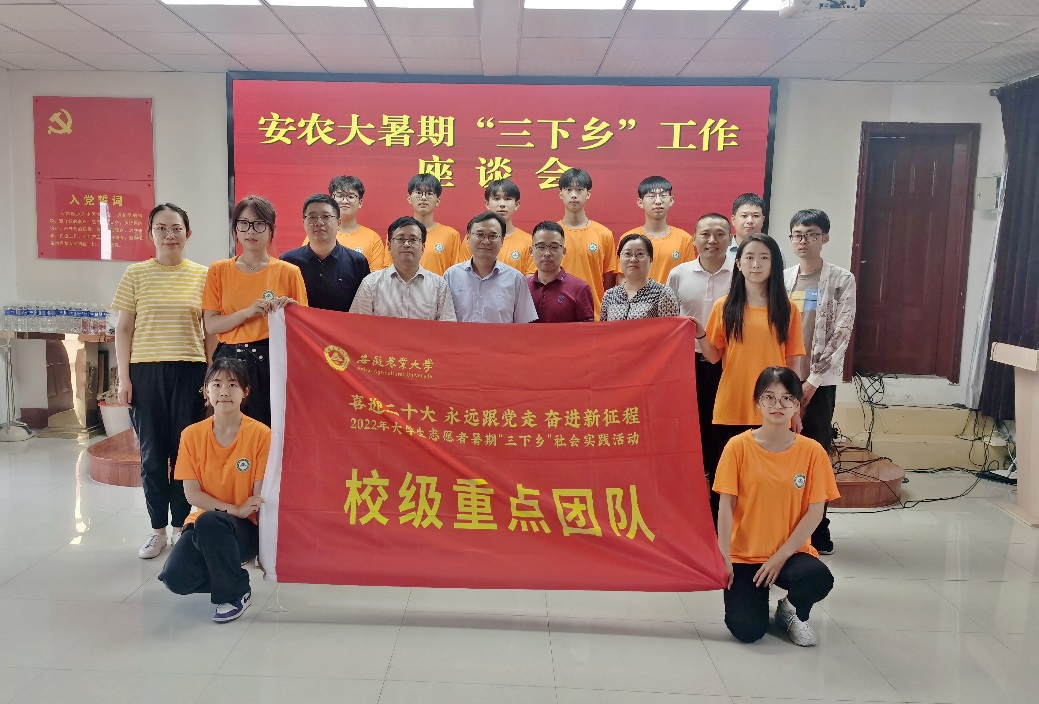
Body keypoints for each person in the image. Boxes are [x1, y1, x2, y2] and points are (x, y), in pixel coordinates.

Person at [112, 203, 211, 560]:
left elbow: (210, 330)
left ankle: (182, 527)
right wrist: (124, 378)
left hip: (191, 371)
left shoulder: (203, 275)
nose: (170, 235)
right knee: (153, 456)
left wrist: (210, 376)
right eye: (161, 228)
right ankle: (157, 530)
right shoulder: (136, 274)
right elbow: (124, 328)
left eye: (176, 228)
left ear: (188, 233)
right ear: (150, 233)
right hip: (146, 372)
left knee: (185, 454)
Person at [715, 366, 839, 646]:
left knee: (818, 578)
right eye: (769, 397)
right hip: (745, 555)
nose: (777, 405)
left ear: (797, 404)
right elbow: (725, 507)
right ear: (758, 402)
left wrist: (780, 556)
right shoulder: (737, 447)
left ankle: (791, 610)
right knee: (747, 631)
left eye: (787, 399)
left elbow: (815, 512)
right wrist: (723, 557)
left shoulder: (812, 452)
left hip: (790, 552)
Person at [158, 359, 269, 624]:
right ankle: (232, 577)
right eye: (216, 384)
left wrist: (243, 517)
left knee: (211, 521)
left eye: (233, 385)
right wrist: (235, 509)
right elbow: (193, 495)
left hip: (245, 528)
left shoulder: (261, 434)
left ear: (245, 392)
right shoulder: (191, 435)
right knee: (175, 578)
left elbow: (258, 498)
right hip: (205, 523)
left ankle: (234, 593)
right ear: (206, 391)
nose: (224, 392)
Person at [696, 234, 806, 478]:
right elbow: (714, 357)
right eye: (749, 257)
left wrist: (795, 410)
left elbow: (793, 363)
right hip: (732, 405)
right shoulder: (724, 306)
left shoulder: (788, 310)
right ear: (738, 263)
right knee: (727, 479)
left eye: (764, 258)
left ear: (774, 264)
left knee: (768, 479)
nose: (756, 264)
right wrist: (701, 334)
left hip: (775, 407)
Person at [784, 208, 857, 556]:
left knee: (815, 454)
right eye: (797, 234)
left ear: (824, 238)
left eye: (811, 234)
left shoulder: (841, 280)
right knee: (781, 452)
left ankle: (818, 526)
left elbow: (841, 333)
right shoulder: (783, 278)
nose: (803, 241)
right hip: (782, 380)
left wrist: (811, 382)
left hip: (819, 382)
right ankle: (784, 524)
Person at [202, 195, 308, 427]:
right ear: (235, 229)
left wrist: (292, 312)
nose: (251, 231)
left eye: (259, 224)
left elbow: (303, 332)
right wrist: (247, 312)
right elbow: (211, 325)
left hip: (271, 360)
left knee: (268, 429)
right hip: (229, 361)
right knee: (229, 429)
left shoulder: (289, 272)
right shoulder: (219, 270)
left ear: (271, 230)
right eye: (244, 223)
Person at [666, 213, 735, 523]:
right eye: (705, 234)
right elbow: (667, 321)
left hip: (727, 365)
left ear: (730, 239)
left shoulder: (740, 273)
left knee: (719, 433)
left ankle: (718, 508)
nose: (712, 240)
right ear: (693, 239)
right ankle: (688, 505)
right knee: (689, 432)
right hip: (686, 365)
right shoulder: (678, 274)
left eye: (719, 233)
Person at [349, 216, 456, 321]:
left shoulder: (439, 286)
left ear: (423, 248)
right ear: (389, 246)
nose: (406, 244)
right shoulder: (371, 284)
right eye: (400, 239)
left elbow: (447, 329)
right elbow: (358, 326)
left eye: (413, 239)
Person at [443, 211, 538, 323]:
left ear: (502, 241)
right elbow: (444, 321)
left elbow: (524, 325)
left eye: (493, 236)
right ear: (468, 238)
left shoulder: (516, 280)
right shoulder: (451, 276)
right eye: (479, 234)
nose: (486, 241)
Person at [282, 193, 370, 312]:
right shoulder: (288, 261)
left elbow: (363, 309)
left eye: (326, 216)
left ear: (339, 223)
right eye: (312, 217)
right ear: (304, 223)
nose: (319, 222)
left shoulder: (357, 262)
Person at [556, 167, 620, 319]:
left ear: (588, 194)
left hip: (594, 316)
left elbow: (609, 281)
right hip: (559, 317)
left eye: (579, 190)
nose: (574, 195)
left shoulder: (604, 234)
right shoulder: (552, 234)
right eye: (568, 190)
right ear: (561, 194)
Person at [620, 176, 696, 285]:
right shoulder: (629, 238)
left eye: (663, 196)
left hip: (671, 296)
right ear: (640, 202)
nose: (658, 201)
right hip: (638, 296)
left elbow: (689, 278)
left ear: (671, 200)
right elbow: (622, 278)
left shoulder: (684, 239)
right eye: (651, 196)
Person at [300, 175, 385, 272]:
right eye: (340, 196)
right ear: (331, 200)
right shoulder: (317, 234)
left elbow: (375, 277)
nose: (345, 201)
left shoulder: (373, 238)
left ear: (360, 202)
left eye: (351, 196)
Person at [456, 179, 536, 275]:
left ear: (516, 204)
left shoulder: (528, 241)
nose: (502, 204)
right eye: (496, 198)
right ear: (487, 204)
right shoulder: (474, 238)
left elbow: (530, 279)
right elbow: (464, 273)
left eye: (507, 199)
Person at [600, 233, 680, 321]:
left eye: (640, 254)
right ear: (619, 258)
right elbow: (604, 329)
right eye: (627, 254)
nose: (633, 259)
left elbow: (671, 328)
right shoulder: (610, 295)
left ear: (650, 259)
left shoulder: (663, 294)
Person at [526, 221, 594, 323]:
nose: (547, 253)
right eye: (541, 247)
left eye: (554, 247)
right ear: (531, 251)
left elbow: (587, 330)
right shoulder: (522, 287)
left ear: (564, 251)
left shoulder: (580, 289)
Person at [401, 173, 459, 276]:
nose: (423, 197)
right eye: (418, 192)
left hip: (438, 286)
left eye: (429, 193)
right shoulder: (398, 233)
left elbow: (456, 274)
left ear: (438, 200)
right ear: (409, 198)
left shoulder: (451, 235)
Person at [730, 193, 766, 257]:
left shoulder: (773, 251)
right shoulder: (720, 250)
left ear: (763, 220)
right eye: (744, 216)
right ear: (733, 220)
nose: (750, 221)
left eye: (756, 216)